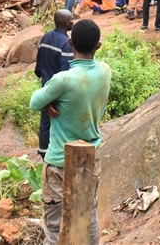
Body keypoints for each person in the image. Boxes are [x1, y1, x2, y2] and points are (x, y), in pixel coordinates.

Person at [30, 19, 111, 245]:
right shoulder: (105, 71)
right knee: (88, 212)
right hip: (89, 157)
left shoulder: (62, 80)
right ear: (99, 45)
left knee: (55, 222)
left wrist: (50, 101)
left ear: (69, 41)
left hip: (58, 161)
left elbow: (34, 102)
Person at [35, 9, 74, 158]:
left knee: (45, 122)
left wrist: (43, 78)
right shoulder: (66, 44)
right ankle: (59, 156)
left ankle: (44, 152)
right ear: (66, 23)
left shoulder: (45, 38)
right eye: (71, 20)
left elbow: (38, 65)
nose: (73, 22)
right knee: (59, 124)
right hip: (58, 91)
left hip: (46, 86)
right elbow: (66, 72)